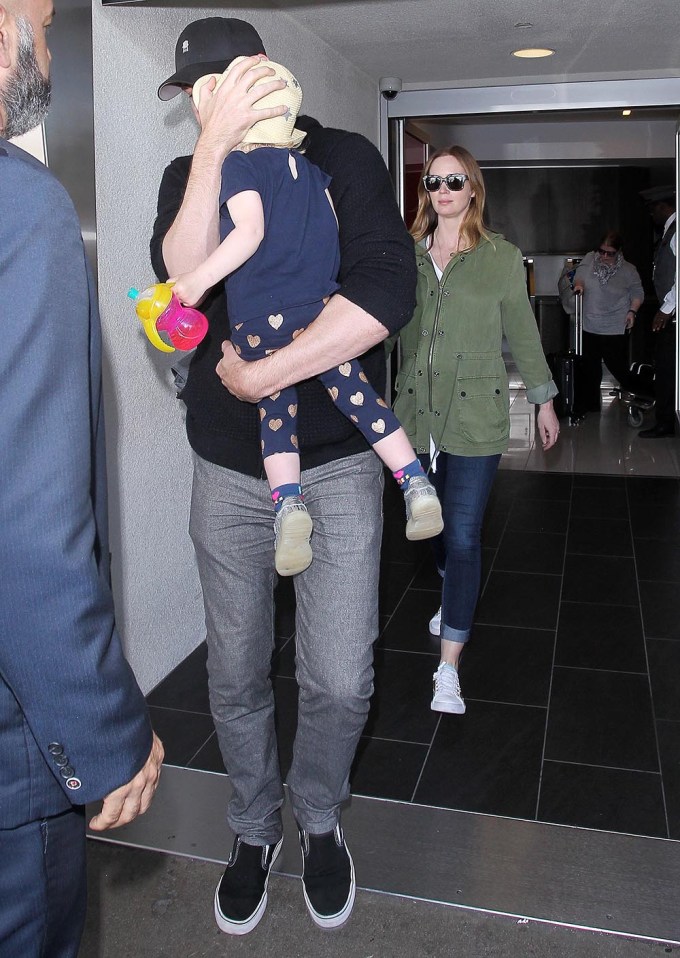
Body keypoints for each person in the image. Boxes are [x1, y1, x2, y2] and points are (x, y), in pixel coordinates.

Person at [151, 17, 417, 936]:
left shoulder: (343, 157)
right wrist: (214, 149)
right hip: (229, 466)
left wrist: (268, 371)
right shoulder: (189, 177)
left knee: (340, 680)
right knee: (234, 671)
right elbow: (182, 274)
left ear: (255, 77)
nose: (193, 104)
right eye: (186, 96)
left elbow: (385, 292)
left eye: (206, 87)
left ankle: (317, 814)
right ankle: (254, 828)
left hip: (338, 458)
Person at [0, 0, 164, 954]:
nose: (53, 45)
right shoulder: (21, 208)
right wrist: (103, 735)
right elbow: (23, 523)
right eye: (44, 20)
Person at [170, 57, 441, 577]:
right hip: (317, 313)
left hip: (261, 321)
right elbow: (333, 242)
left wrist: (197, 282)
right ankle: (415, 482)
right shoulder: (315, 173)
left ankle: (288, 504)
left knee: (276, 416)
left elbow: (246, 236)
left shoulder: (241, 166)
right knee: (364, 400)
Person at [391, 146, 560, 715]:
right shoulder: (406, 257)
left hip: (475, 418)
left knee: (463, 536)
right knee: (432, 530)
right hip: (414, 420)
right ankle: (451, 588)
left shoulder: (500, 258)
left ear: (473, 190)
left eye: (454, 180)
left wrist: (543, 400)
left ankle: (448, 666)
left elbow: (524, 333)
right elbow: (380, 328)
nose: (443, 188)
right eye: (434, 180)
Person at [572, 230, 644, 403]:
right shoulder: (590, 258)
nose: (604, 256)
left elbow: (637, 292)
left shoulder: (628, 270)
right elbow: (579, 276)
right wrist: (579, 286)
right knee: (590, 367)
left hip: (615, 324)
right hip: (590, 323)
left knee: (617, 366)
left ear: (618, 252)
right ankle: (590, 404)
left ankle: (642, 392)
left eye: (609, 253)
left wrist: (632, 311)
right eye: (601, 251)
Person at [638, 185, 677, 438]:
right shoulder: (669, 230)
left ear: (663, 207)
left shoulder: (676, 231)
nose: (652, 216)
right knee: (665, 367)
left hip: (673, 316)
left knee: (665, 369)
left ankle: (665, 423)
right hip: (671, 313)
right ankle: (666, 418)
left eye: (653, 211)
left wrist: (666, 309)